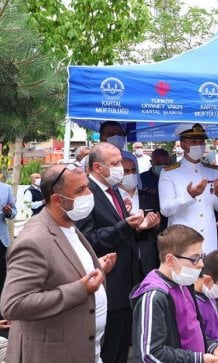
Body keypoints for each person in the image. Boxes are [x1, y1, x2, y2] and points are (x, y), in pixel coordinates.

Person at [1, 163, 115, 362]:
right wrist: (80, 289)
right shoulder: (33, 240)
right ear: (57, 200)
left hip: (85, 351)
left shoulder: (67, 224)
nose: (89, 194)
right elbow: (14, 304)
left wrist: (94, 266)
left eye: (87, 186)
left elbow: (60, 265)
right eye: (80, 190)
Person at [76, 142, 157, 363]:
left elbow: (120, 231)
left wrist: (138, 228)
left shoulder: (113, 191)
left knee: (122, 346)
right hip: (108, 282)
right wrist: (125, 226)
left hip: (126, 281)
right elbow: (88, 239)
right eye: (116, 163)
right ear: (97, 167)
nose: (121, 167)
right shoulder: (87, 193)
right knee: (109, 349)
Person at [131, 225, 218, 362]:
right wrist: (198, 359)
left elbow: (192, 332)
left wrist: (212, 347)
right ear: (170, 260)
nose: (201, 264)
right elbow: (150, 354)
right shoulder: (154, 296)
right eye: (194, 258)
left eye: (201, 257)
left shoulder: (185, 285)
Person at [159, 123, 218, 254]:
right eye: (193, 141)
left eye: (202, 141)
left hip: (208, 242)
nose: (199, 145)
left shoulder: (212, 171)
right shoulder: (169, 173)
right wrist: (189, 196)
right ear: (183, 144)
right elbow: (165, 210)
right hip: (182, 242)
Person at [118, 155, 163, 277]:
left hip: (148, 258)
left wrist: (156, 224)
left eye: (133, 170)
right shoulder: (113, 199)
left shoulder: (150, 197)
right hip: (123, 261)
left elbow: (161, 227)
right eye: (126, 171)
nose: (130, 174)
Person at [0, 181, 16, 298]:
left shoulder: (6, 188)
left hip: (1, 239)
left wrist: (9, 212)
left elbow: (14, 211)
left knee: (1, 275)